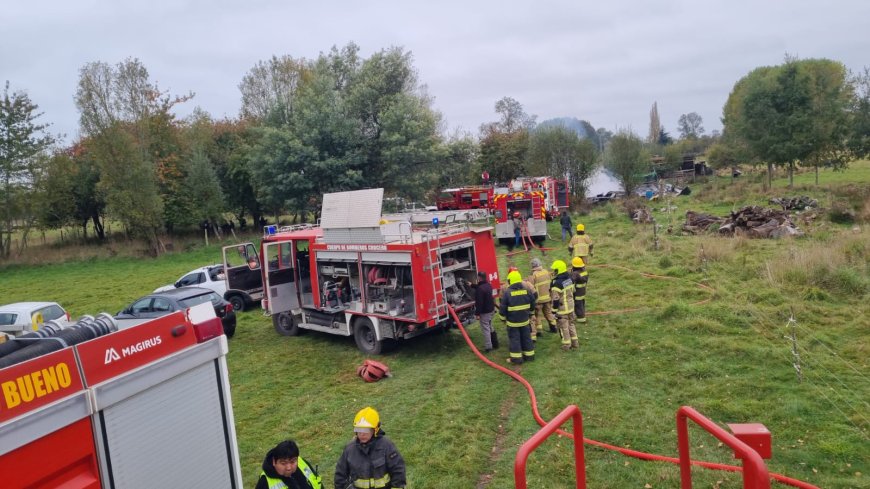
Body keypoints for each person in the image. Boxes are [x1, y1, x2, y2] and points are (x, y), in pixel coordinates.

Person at [335, 406, 407, 489]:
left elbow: (398, 471)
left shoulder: (386, 446)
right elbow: (340, 476)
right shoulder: (350, 449)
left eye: (366, 430)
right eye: (359, 430)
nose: (362, 434)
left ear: (375, 429)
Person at [498, 270, 535, 364]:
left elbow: (503, 308)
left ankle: (516, 359)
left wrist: (502, 319)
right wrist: (530, 314)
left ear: (510, 281)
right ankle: (529, 356)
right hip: (525, 320)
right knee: (526, 338)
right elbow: (532, 303)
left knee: (515, 339)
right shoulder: (527, 291)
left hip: (513, 322)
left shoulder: (507, 293)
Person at [255, 439, 323, 489]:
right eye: (283, 463)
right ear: (274, 462)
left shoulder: (302, 463)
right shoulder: (265, 482)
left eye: (293, 462)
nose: (289, 468)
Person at [550, 260, 578, 351]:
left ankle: (566, 345)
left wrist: (554, 311)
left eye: (555, 270)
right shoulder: (570, 279)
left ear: (558, 270)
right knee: (571, 325)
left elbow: (556, 299)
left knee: (563, 327)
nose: (553, 272)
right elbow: (573, 291)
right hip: (571, 307)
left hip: (562, 310)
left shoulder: (557, 284)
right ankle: (575, 343)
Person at [530, 258, 556, 336]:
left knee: (537, 315)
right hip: (547, 298)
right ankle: (553, 327)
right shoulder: (546, 272)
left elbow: (531, 288)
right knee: (548, 312)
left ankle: (539, 332)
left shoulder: (534, 275)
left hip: (538, 300)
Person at [474, 271, 498, 352]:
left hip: (485, 312)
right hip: (491, 310)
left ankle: (488, 347)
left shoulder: (480, 289)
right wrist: (471, 285)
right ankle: (495, 343)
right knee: (490, 326)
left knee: (486, 329)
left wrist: (477, 314)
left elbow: (479, 303)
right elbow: (480, 287)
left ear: (479, 278)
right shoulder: (488, 285)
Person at [570, 257, 589, 325]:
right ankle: (582, 314)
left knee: (578, 305)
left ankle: (581, 319)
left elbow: (571, 281)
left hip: (577, 292)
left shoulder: (575, 273)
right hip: (583, 291)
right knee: (582, 304)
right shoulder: (584, 271)